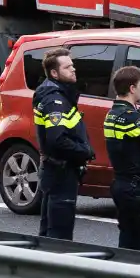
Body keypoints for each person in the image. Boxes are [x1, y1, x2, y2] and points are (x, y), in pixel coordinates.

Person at [33, 47, 94, 240]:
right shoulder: (55, 100)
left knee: (50, 232)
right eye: (68, 67)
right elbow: (57, 139)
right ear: (54, 73)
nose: (73, 69)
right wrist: (83, 151)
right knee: (59, 235)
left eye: (73, 66)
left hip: (57, 171)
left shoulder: (58, 95)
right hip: (61, 172)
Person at [103, 65, 140, 252]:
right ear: (132, 89)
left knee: (127, 237)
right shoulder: (132, 118)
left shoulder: (111, 115)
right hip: (138, 188)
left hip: (121, 182)